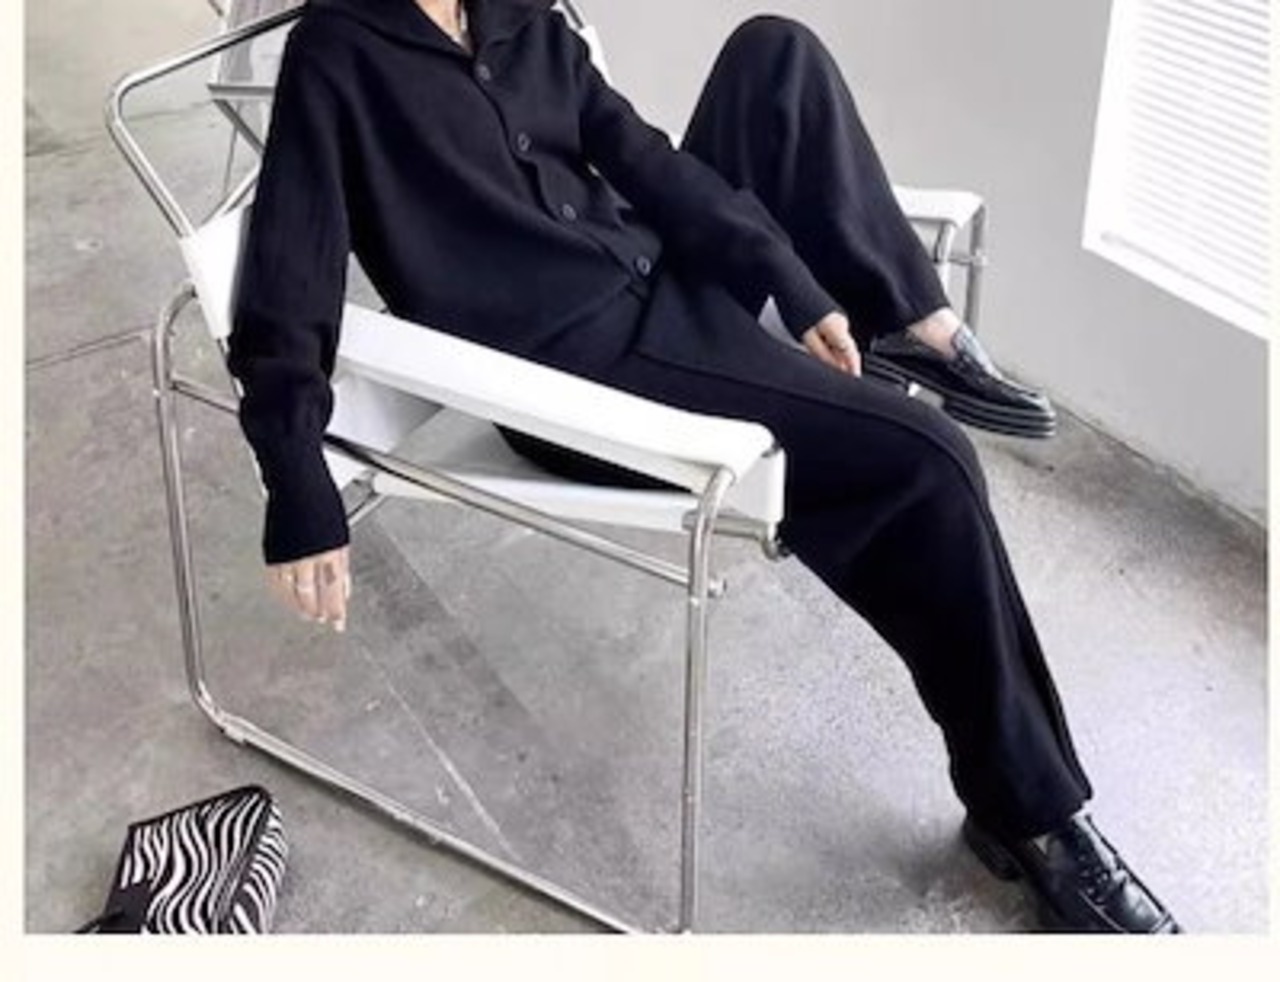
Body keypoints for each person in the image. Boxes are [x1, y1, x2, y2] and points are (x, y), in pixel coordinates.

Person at [227, 0, 1180, 933]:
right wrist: (297, 479)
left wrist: (791, 284)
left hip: (653, 274)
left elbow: (641, 157)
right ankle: (1030, 815)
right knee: (929, 460)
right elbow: (287, 283)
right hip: (588, 371)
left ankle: (906, 323)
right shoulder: (336, 54)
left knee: (775, 55)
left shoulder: (520, 15)